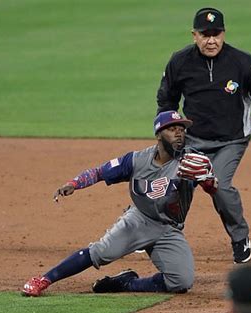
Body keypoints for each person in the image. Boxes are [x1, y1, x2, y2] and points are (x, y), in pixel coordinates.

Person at [22, 110, 218, 297]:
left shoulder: (191, 161)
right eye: (172, 129)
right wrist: (75, 183)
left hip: (169, 228)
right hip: (139, 219)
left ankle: (126, 283)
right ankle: (43, 280)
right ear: (159, 135)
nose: (179, 133)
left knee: (181, 282)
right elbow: (100, 172)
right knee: (101, 252)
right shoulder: (136, 160)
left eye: (182, 129)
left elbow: (212, 188)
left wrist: (208, 182)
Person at [157, 7, 251, 264]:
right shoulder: (180, 61)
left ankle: (240, 238)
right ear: (194, 35)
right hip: (192, 140)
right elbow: (167, 99)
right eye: (205, 34)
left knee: (218, 184)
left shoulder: (241, 62)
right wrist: (165, 129)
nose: (211, 40)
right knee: (179, 180)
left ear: (224, 33)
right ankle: (164, 230)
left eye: (216, 34)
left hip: (232, 140)